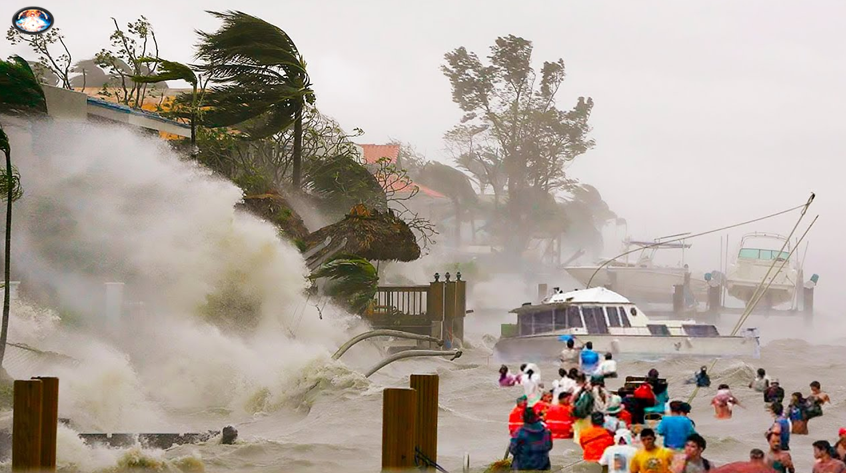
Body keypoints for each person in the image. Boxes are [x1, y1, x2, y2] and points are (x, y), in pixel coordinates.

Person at [510, 407, 553, 471]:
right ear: (535, 417)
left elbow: (513, 450)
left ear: (523, 418)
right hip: (542, 466)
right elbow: (549, 447)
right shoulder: (546, 431)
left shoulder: (519, 433)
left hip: (523, 466)